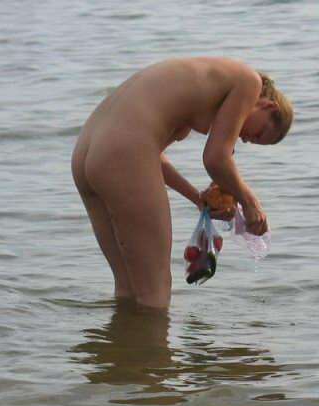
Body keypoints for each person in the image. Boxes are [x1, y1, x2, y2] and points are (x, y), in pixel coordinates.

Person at [71, 57, 293, 309]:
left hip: (87, 152)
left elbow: (147, 154)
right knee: (155, 292)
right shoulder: (249, 81)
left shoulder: (198, 90)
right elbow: (216, 158)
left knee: (128, 288)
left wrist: (197, 198)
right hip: (120, 152)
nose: (245, 138)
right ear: (269, 107)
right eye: (258, 134)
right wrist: (250, 203)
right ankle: (151, 335)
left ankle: (127, 335)